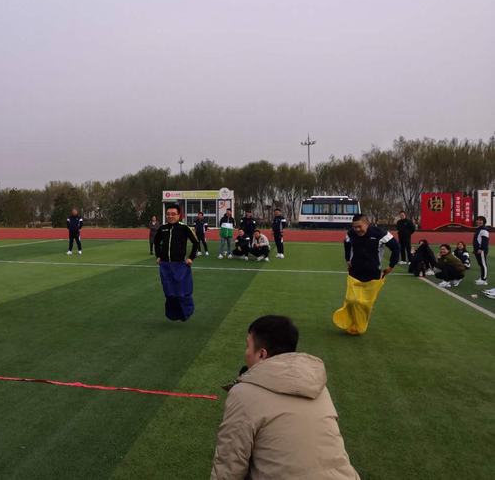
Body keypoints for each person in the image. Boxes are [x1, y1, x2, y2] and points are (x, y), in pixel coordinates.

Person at [211, 315, 359, 480]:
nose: (246, 353)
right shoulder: (318, 387)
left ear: (262, 354)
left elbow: (229, 466)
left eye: (248, 346)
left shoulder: (243, 393)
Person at [334, 214, 399, 335]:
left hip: (373, 274)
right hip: (355, 272)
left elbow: (396, 247)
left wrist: (391, 266)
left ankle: (360, 325)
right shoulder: (351, 233)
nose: (357, 229)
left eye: (359, 226)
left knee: (365, 304)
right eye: (354, 227)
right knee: (351, 300)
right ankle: (350, 322)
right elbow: (346, 243)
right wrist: (347, 259)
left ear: (367, 224)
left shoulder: (380, 233)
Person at [153, 203, 198, 321]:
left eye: (173, 214)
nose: (170, 216)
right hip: (165, 266)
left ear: (179, 215)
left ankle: (186, 312)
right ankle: (173, 314)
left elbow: (196, 243)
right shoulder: (162, 228)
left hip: (180, 265)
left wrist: (191, 258)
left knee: (181, 291)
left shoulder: (184, 228)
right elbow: (156, 242)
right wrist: (158, 256)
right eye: (168, 214)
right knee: (169, 292)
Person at [473, 215, 489, 285]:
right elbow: (477, 240)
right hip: (478, 250)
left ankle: (484, 280)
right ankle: (482, 277)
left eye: (480, 220)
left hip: (481, 250)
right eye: (478, 220)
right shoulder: (479, 229)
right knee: (481, 264)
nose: (478, 221)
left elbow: (485, 241)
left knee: (483, 264)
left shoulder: (484, 230)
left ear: (484, 222)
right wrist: (475, 249)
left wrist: (481, 249)